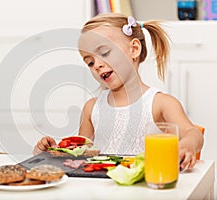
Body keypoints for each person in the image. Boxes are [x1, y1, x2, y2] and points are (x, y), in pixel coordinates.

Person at [33, 13, 203, 170]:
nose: (97, 65)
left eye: (105, 53)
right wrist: (52, 154)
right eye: (90, 62)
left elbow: (193, 133)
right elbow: (79, 158)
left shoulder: (160, 103)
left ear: (134, 49)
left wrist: (187, 145)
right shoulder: (91, 109)